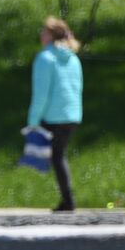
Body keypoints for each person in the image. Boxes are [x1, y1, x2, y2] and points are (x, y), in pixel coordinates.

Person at [26, 16, 84, 212]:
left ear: (51, 36)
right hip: (73, 115)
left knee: (57, 157)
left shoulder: (45, 58)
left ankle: (68, 201)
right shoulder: (73, 58)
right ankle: (67, 200)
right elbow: (78, 87)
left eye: (44, 31)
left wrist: (33, 121)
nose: (41, 34)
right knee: (58, 155)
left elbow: (41, 94)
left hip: (53, 116)